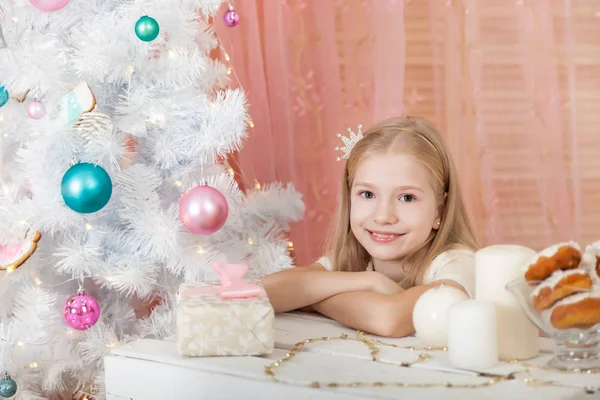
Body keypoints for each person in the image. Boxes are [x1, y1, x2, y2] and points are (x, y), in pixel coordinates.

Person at [261, 116, 479, 338]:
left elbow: (389, 319)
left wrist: (313, 297)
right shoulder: (357, 260)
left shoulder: (458, 264)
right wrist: (368, 281)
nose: (383, 216)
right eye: (368, 194)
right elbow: (263, 293)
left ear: (439, 211)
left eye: (407, 198)